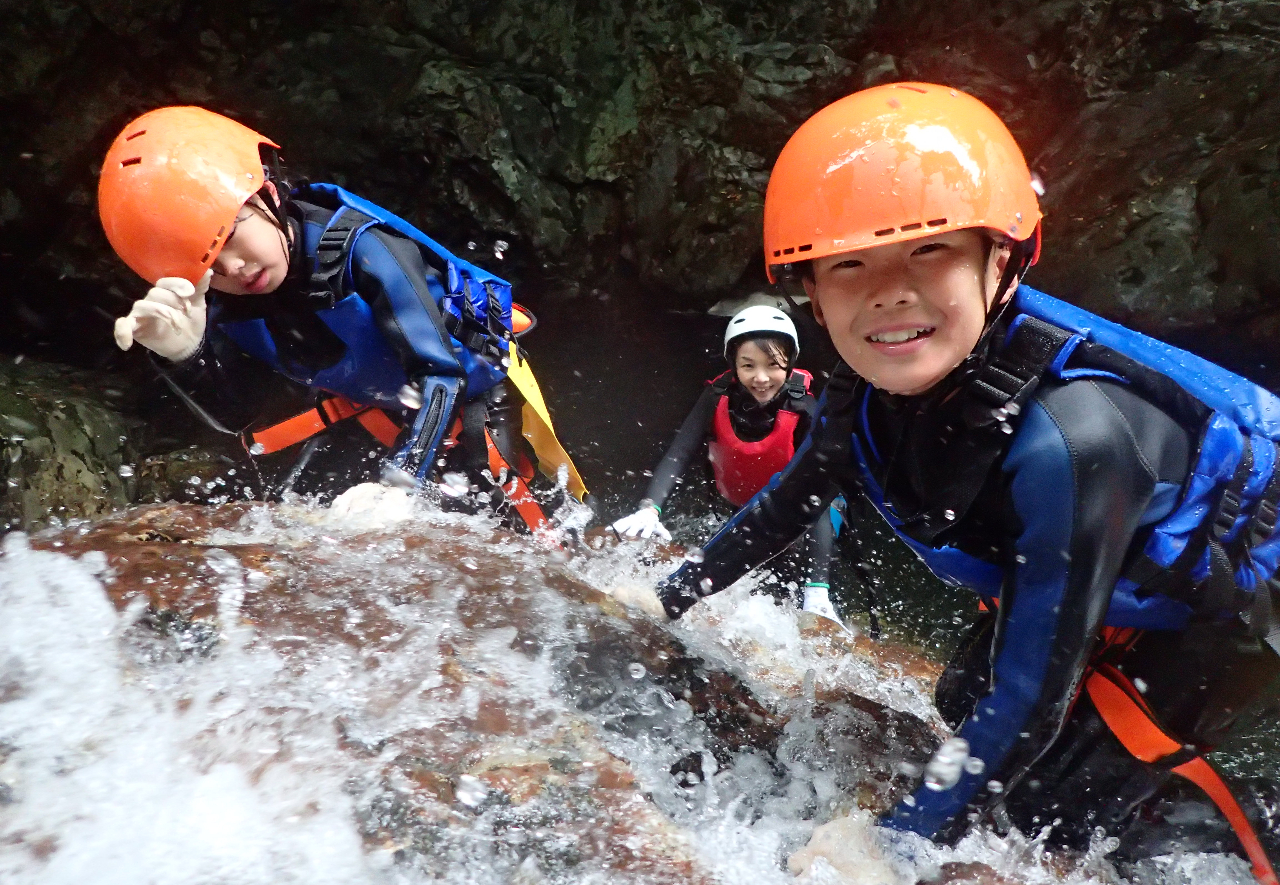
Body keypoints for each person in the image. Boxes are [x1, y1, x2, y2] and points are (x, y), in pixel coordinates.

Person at [619, 82, 1280, 880]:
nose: (890, 291)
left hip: (1231, 608)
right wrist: (670, 597)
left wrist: (893, 845)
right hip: (1111, 578)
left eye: (929, 250)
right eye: (850, 264)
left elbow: (1033, 693)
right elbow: (792, 500)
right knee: (966, 700)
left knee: (1062, 810)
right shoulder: (861, 397)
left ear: (1001, 259)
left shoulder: (1075, 439)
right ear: (814, 297)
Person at [99, 105, 586, 531]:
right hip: (367, 413)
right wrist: (187, 355)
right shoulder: (225, 299)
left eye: (228, 236)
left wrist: (402, 483)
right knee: (297, 527)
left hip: (466, 403)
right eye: (207, 264)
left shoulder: (363, 251)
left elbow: (441, 374)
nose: (232, 268)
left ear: (267, 195)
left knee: (509, 528)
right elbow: (239, 413)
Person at [611, 306, 847, 624]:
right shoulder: (717, 395)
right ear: (733, 364)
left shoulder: (803, 406)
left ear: (790, 365)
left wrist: (817, 587)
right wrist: (650, 508)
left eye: (773, 366)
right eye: (748, 366)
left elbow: (814, 493)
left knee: (792, 578)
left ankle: (819, 592)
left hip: (809, 524)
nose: (761, 378)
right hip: (743, 512)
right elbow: (679, 453)